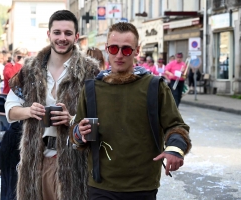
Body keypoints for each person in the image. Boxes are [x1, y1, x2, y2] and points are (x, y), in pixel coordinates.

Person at [71, 22, 191, 200]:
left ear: (137, 50)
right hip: (101, 184)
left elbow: (176, 125)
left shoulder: (154, 86)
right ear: (106, 49)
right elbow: (76, 131)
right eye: (113, 49)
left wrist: (175, 149)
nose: (119, 55)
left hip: (141, 185)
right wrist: (79, 133)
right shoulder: (91, 88)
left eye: (126, 50)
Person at [3, 10, 99, 200]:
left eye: (68, 33)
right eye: (57, 32)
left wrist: (71, 120)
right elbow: (10, 110)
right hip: (36, 160)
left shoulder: (90, 71)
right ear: (49, 34)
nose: (62, 38)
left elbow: (99, 122)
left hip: (73, 164)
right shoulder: (30, 69)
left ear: (76, 36)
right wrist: (29, 111)